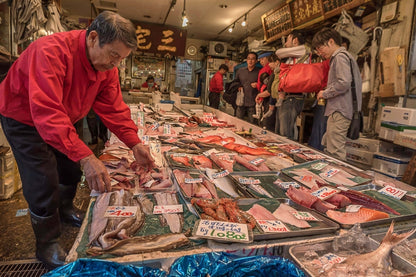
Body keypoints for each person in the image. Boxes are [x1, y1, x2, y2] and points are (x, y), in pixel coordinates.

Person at [0, 11, 155, 269]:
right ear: (93, 38)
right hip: (24, 117)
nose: (115, 63)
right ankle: (46, 244)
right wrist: (86, 156)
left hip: (65, 115)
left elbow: (114, 108)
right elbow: (47, 112)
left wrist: (135, 143)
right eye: (114, 55)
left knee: (70, 169)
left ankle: (66, 209)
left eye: (122, 59)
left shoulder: (106, 68)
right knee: (42, 179)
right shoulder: (49, 51)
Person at [313, 27, 362, 160]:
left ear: (330, 42)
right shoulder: (345, 57)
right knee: (330, 144)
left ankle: (338, 179)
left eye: (320, 48)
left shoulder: (340, 57)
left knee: (335, 151)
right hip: (339, 109)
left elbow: (344, 82)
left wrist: (325, 93)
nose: (319, 53)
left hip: (340, 110)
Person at [275, 30, 311, 140]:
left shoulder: (303, 51)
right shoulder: (293, 56)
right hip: (286, 97)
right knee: (280, 132)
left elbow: (279, 53)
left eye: (287, 40)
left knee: (286, 133)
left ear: (295, 40)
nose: (286, 44)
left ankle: (288, 156)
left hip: (293, 97)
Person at [234, 52, 260, 123]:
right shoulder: (240, 71)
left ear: (256, 61)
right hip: (241, 101)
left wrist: (257, 84)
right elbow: (235, 82)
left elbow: (263, 85)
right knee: (238, 122)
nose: (250, 61)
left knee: (253, 125)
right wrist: (238, 86)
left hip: (253, 102)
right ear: (246, 60)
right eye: (249, 59)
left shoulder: (259, 72)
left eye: (253, 59)